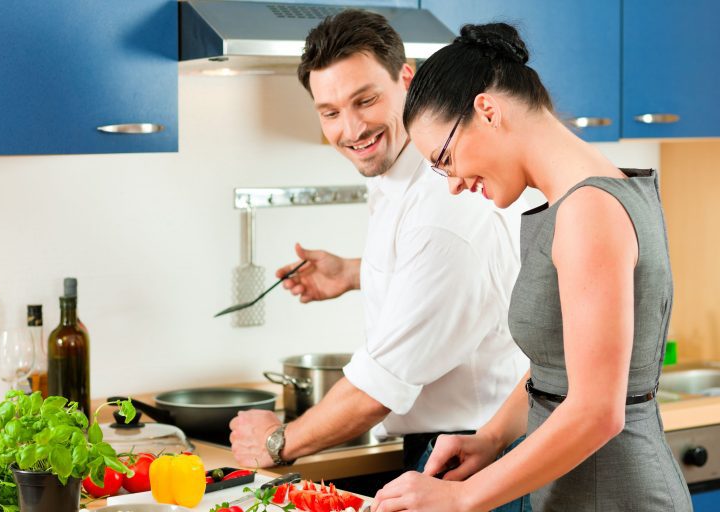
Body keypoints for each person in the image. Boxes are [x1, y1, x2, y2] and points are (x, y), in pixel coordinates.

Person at [370, 22, 692, 512]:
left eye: (445, 158)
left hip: (616, 496)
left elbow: (596, 412)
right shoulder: (583, 200)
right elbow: (558, 367)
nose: (452, 183)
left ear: (488, 111)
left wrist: (461, 497)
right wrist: (492, 436)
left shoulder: (589, 211)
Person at [228, 10, 530, 507]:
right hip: (448, 447)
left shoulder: (443, 204)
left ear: (406, 80)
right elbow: (438, 282)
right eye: (329, 112)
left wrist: (276, 443)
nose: (351, 128)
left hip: (476, 456)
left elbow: (379, 388)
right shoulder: (401, 175)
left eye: (365, 100)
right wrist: (352, 273)